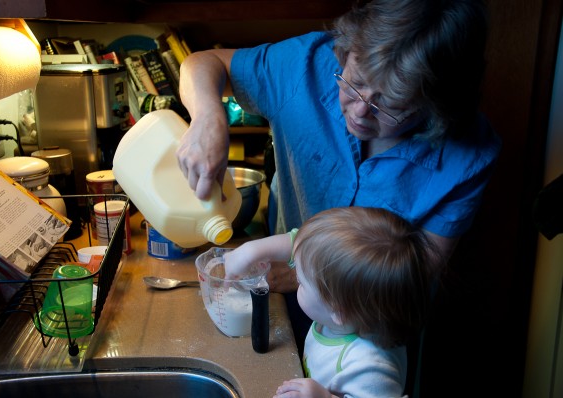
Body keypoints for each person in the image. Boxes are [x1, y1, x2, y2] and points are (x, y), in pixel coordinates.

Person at [177, 0, 501, 347]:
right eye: (355, 82)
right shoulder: (306, 65)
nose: (361, 111)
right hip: (278, 306)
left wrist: (304, 274)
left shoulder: (468, 155)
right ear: (346, 52)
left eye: (392, 105)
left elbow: (409, 286)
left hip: (363, 337)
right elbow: (203, 63)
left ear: (436, 106)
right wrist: (208, 115)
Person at [224, 207, 438, 397]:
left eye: (301, 281)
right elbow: (300, 246)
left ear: (338, 310)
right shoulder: (346, 317)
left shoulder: (370, 368)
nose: (295, 276)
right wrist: (250, 251)